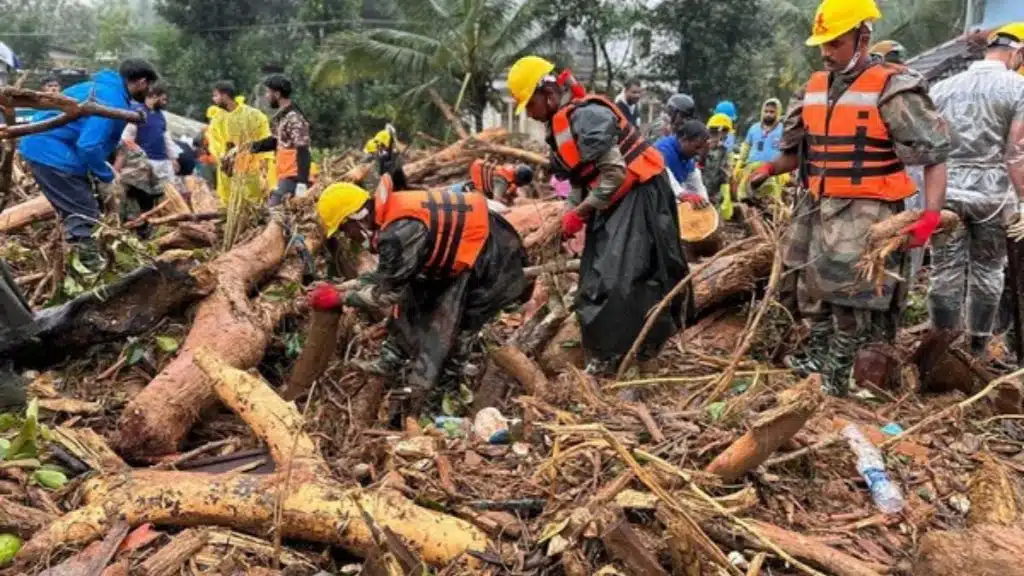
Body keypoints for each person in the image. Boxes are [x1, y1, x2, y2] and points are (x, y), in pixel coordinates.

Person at [748, 0, 950, 396]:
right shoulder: (814, 88)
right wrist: (768, 169)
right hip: (817, 205)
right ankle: (818, 358)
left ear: (863, 37)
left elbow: (935, 156)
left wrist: (930, 217)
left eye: (835, 43)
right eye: (822, 44)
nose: (826, 52)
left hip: (867, 210)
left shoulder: (893, 88)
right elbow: (796, 151)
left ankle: (840, 374)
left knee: (853, 296)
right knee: (810, 288)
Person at [506, 55, 689, 375]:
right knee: (593, 276)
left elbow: (615, 174)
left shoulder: (588, 117)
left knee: (621, 279)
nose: (530, 114)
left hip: (640, 192)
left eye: (530, 105)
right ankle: (606, 353)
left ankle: (633, 354)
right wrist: (567, 217)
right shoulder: (561, 122)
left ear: (547, 93)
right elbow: (581, 177)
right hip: (614, 196)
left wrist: (580, 213)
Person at [311, 180, 532, 415]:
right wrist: (341, 287)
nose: (349, 237)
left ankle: (443, 401)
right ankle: (391, 360)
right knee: (412, 298)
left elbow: (387, 294)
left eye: (345, 230)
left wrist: (340, 299)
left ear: (356, 218)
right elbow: (387, 275)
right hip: (463, 254)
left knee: (457, 331)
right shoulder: (390, 217)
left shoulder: (398, 233)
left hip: (493, 260)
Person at [927, 23, 1024, 357]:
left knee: (944, 270)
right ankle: (977, 348)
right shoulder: (1018, 88)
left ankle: (942, 348)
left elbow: (932, 147)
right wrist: (1023, 202)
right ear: (1017, 53)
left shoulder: (942, 88)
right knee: (988, 270)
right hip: (995, 196)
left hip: (947, 191)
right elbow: (1016, 153)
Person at [18, 59, 158, 273]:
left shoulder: (99, 88)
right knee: (84, 215)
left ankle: (77, 265)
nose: (148, 91)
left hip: (46, 147)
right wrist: (106, 175)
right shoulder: (111, 99)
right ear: (141, 82)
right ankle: (89, 273)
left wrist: (102, 169)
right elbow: (89, 145)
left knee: (81, 211)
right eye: (148, 86)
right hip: (52, 153)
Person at [206, 80, 274, 204]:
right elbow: (214, 142)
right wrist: (222, 155)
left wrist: (264, 163)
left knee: (252, 202)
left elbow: (265, 139)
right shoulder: (217, 119)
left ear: (225, 95)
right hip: (228, 169)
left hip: (251, 168)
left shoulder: (253, 115)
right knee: (229, 202)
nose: (213, 99)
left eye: (215, 95)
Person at [250, 74, 311, 208]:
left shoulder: (294, 118)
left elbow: (303, 149)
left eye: (268, 92)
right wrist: (250, 147)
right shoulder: (283, 117)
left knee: (273, 209)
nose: (266, 96)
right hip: (285, 175)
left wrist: (302, 182)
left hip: (293, 177)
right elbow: (275, 141)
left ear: (277, 94)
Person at [121, 82, 181, 186]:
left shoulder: (161, 116)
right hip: (144, 162)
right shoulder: (137, 112)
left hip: (162, 162)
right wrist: (141, 158)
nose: (165, 102)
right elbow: (127, 138)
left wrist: (173, 158)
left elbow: (166, 139)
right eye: (163, 99)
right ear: (154, 97)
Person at [654, 119, 710, 205]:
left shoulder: (687, 158)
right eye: (697, 147)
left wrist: (705, 202)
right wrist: (685, 195)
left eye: (702, 148)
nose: (699, 152)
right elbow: (669, 181)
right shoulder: (662, 150)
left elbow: (697, 185)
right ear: (683, 139)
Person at [461, 159, 534, 211]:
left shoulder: (508, 171)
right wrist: (506, 204)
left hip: (479, 182)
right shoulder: (502, 182)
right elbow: (496, 201)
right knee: (500, 208)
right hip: (475, 192)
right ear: (519, 180)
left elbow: (513, 189)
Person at [737, 98, 784, 167]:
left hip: (774, 169)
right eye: (766, 111)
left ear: (777, 113)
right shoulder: (754, 128)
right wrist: (740, 162)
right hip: (752, 167)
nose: (768, 114)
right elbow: (746, 147)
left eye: (772, 112)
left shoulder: (783, 129)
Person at [704, 113, 736, 213]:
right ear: (721, 131)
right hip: (700, 192)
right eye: (725, 133)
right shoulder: (701, 146)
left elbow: (724, 175)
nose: (725, 137)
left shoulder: (723, 151)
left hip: (713, 195)